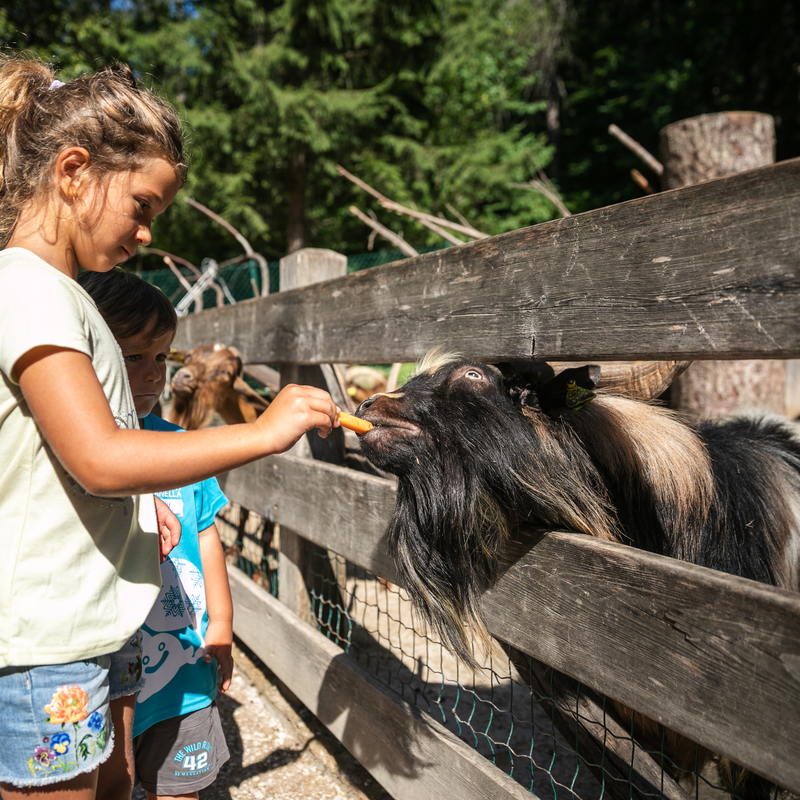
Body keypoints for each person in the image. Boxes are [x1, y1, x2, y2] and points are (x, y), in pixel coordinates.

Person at [0, 54, 338, 800]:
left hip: (81, 626)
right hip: (44, 640)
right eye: (143, 206)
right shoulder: (29, 291)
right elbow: (100, 458)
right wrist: (262, 431)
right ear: (74, 172)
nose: (148, 234)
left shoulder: (64, 296)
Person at [79, 269, 234, 799]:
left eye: (161, 358)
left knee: (180, 787)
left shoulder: (184, 451)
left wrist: (223, 625)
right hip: (102, 666)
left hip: (185, 671)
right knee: (111, 780)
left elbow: (207, 535)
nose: (152, 375)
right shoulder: (73, 452)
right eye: (132, 357)